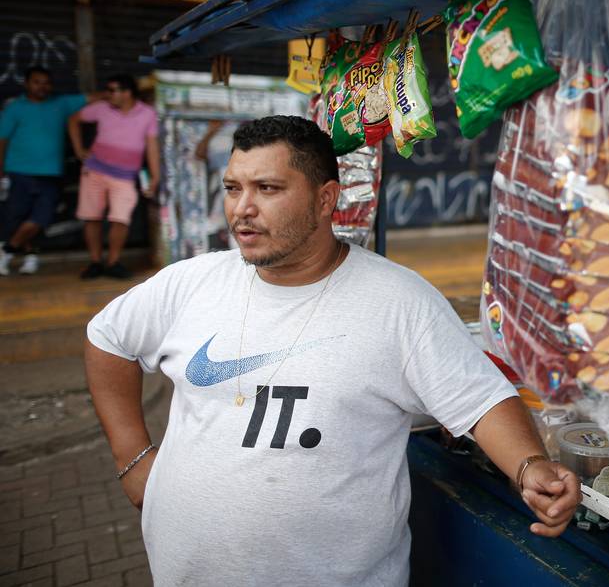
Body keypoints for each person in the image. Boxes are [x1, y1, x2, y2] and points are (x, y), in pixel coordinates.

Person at [84, 116, 580, 585]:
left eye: (268, 189)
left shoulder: (399, 302)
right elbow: (107, 339)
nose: (242, 209)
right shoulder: (191, 282)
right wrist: (133, 457)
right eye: (233, 188)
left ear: (326, 200)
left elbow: (481, 400)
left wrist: (529, 466)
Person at [0, 67, 90, 276]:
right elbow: (2, 140)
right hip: (18, 172)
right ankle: (30, 257)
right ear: (27, 84)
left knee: (41, 218)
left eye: (46, 82)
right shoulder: (15, 108)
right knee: (17, 218)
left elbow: (92, 97)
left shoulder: (61, 104)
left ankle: (6, 251)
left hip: (51, 174)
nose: (42, 86)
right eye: (37, 82)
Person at [69, 74, 160, 280]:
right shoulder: (101, 108)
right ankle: (94, 262)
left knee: (121, 219)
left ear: (127, 93)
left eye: (112, 90)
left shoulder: (147, 114)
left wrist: (155, 176)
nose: (107, 94)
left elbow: (152, 147)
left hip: (125, 176)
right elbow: (73, 119)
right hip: (94, 171)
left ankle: (113, 262)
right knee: (92, 217)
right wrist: (78, 149)